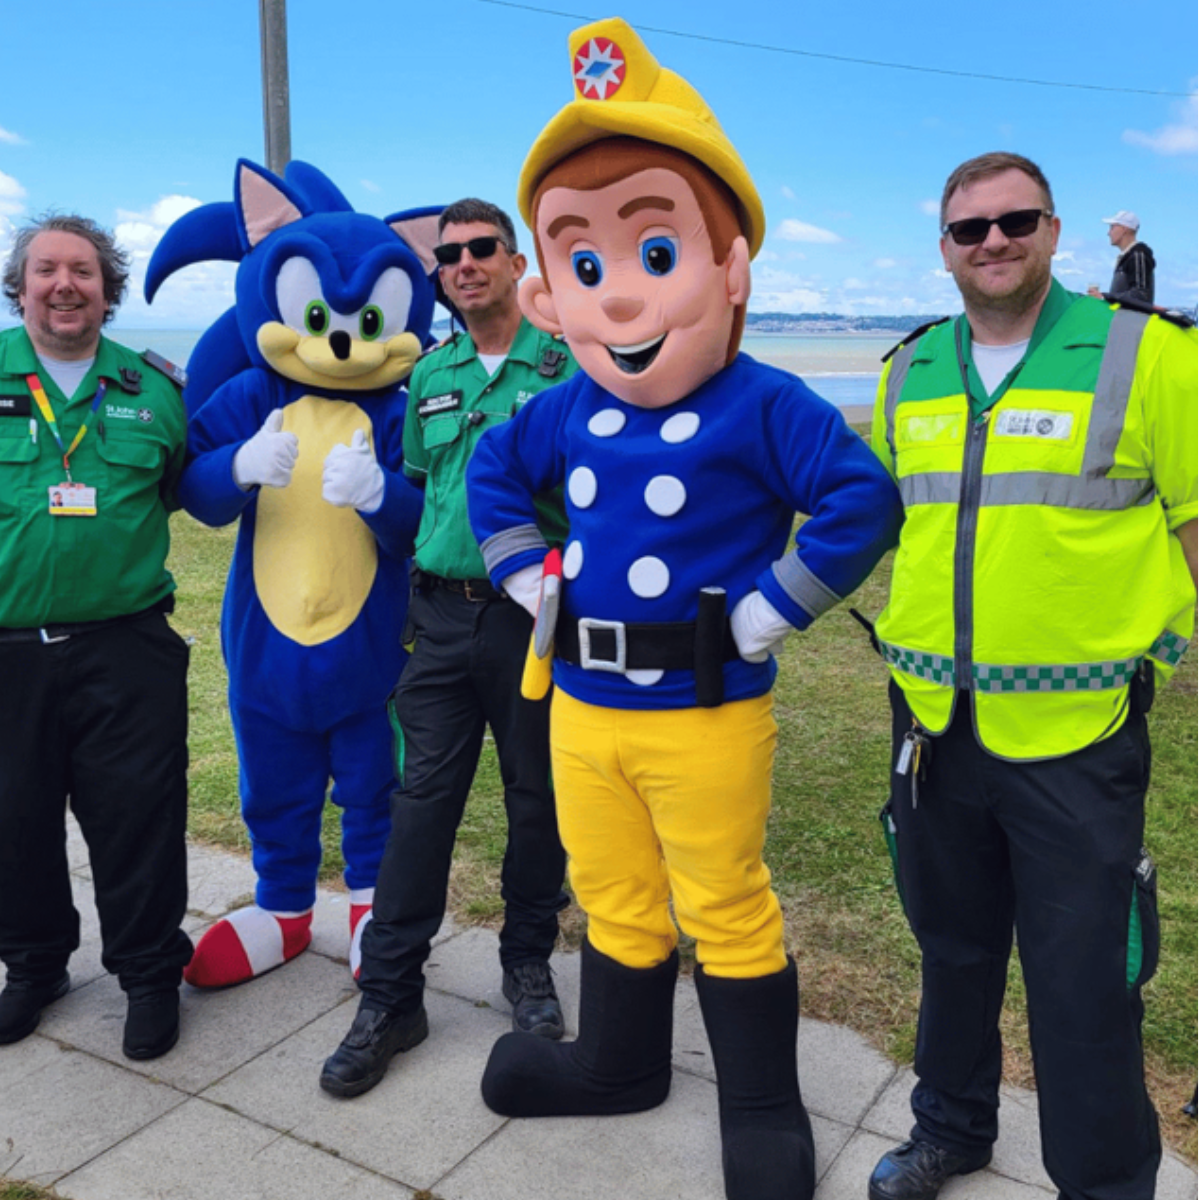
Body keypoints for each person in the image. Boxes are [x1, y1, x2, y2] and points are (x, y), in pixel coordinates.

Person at [466, 20, 903, 1200]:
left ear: (733, 266)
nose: (618, 298)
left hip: (706, 705)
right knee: (609, 890)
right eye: (587, 267)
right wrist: (521, 572)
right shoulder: (565, 407)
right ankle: (618, 1063)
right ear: (555, 290)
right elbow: (493, 471)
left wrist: (768, 611)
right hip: (580, 702)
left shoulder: (766, 404)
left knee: (723, 899)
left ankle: (761, 1102)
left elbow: (862, 502)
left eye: (655, 252)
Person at [867, 153, 1197, 1200]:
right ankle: (952, 1129)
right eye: (971, 229)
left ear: (1053, 231)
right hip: (931, 726)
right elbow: (873, 519)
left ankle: (1103, 1185)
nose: (994, 242)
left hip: (1077, 737)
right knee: (953, 952)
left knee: (1083, 984)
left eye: (1015, 221)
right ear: (945, 250)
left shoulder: (1146, 357)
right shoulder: (909, 369)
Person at [319, 198, 576, 1099]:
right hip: (437, 619)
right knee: (419, 805)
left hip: (531, 622)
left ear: (516, 262)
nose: (463, 264)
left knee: (536, 800)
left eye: (481, 250)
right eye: (449, 256)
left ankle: (527, 962)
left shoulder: (570, 366)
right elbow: (426, 499)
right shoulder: (432, 374)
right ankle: (391, 997)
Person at [0, 215, 194, 1060]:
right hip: (7, 653)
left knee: (138, 818)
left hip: (126, 647)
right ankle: (35, 968)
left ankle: (150, 976)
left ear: (109, 290)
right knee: (13, 821)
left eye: (83, 270)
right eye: (46, 270)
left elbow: (195, 490)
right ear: (21, 285)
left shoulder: (154, 389)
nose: (64, 284)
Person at [1088, 209, 1155, 305]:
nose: (1109, 233)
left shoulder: (1138, 254)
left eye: (1112, 227)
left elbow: (1141, 294)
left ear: (1124, 229)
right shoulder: (1128, 256)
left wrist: (1105, 297)